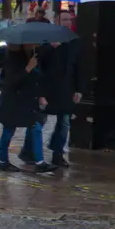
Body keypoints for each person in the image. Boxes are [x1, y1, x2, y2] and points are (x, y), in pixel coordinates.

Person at [0, 46, 51, 174]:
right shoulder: (12, 58)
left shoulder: (33, 55)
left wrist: (41, 95)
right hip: (12, 102)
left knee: (36, 127)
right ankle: (2, 162)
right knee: (8, 130)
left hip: (27, 103)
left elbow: (36, 79)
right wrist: (28, 68)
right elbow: (10, 82)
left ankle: (40, 162)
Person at [38, 39, 82, 167]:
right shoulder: (46, 44)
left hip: (66, 91)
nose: (67, 22)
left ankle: (57, 153)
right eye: (64, 19)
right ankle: (29, 151)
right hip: (48, 90)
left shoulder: (74, 43)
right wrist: (50, 47)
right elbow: (38, 64)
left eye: (69, 19)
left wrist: (79, 89)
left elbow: (78, 67)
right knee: (37, 123)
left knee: (64, 122)